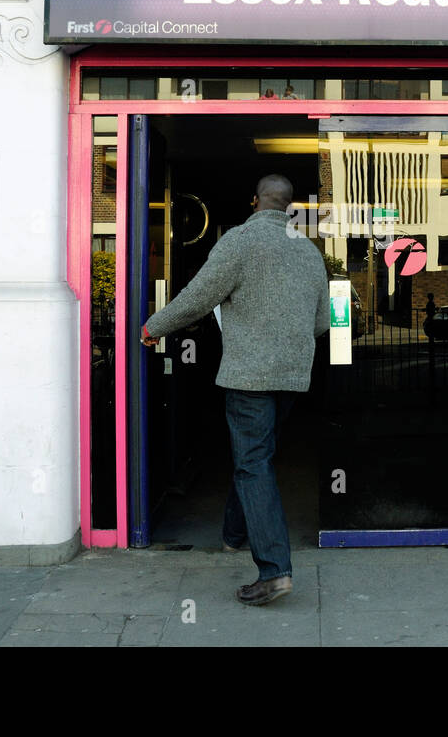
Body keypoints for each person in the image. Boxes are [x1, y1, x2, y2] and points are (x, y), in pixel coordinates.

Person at [141, 174, 329, 606]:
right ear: (289, 207)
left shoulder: (239, 241)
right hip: (292, 378)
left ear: (254, 201)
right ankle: (233, 534)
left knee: (252, 465)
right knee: (256, 459)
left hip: (249, 377)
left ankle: (275, 571)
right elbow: (321, 323)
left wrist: (154, 326)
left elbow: (197, 298)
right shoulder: (308, 250)